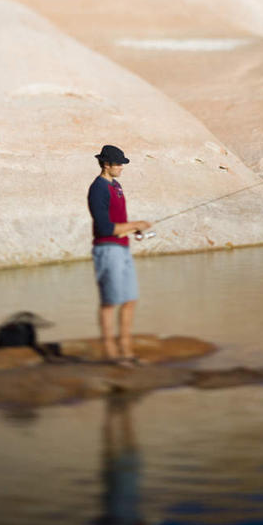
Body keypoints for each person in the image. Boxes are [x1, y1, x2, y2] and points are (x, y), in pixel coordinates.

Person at [88, 145, 151, 364]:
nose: (122, 167)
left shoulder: (116, 185)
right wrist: (136, 224)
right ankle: (111, 353)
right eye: (118, 164)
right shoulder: (98, 189)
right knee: (110, 302)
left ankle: (126, 349)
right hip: (107, 249)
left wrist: (134, 228)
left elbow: (119, 221)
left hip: (122, 247)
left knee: (130, 299)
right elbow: (105, 228)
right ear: (106, 164)